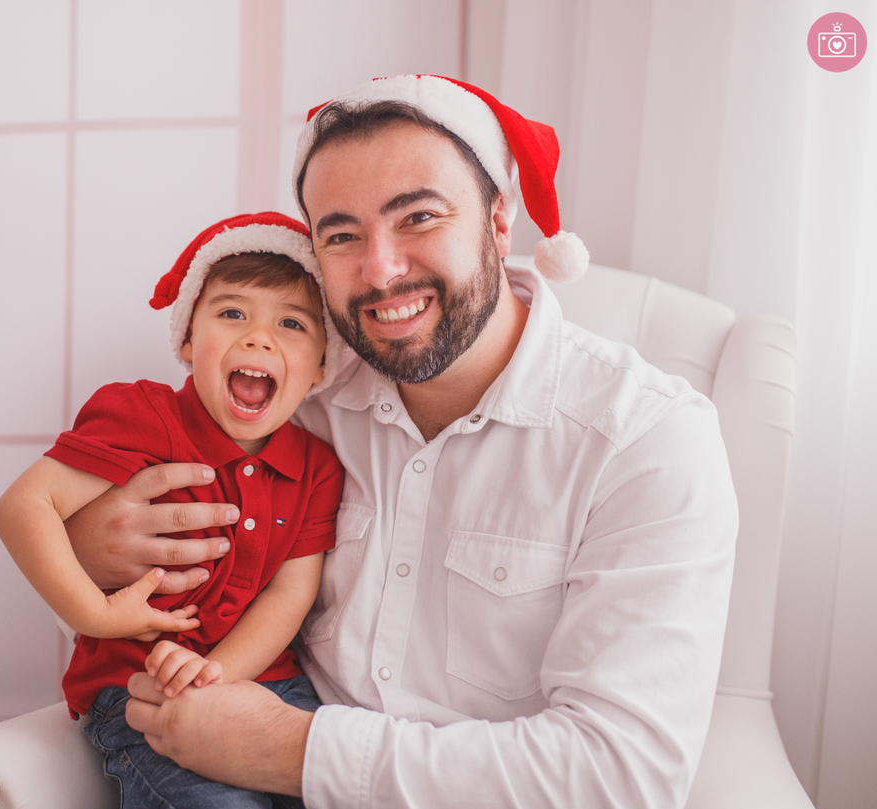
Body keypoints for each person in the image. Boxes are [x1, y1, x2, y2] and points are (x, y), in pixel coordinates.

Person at [64, 76, 738, 808]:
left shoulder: (646, 440)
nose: (381, 270)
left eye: (418, 217)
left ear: (499, 221)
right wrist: (92, 542)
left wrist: (289, 749)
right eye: (342, 236)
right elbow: (152, 544)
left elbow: (619, 777)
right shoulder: (297, 398)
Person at [0, 211, 346, 808]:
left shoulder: (318, 467)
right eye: (232, 313)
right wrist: (97, 615)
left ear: (319, 369)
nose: (258, 338)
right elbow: (24, 505)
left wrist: (220, 674)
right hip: (143, 687)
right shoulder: (142, 415)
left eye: (291, 323)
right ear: (186, 340)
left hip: (271, 685)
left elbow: (289, 593)